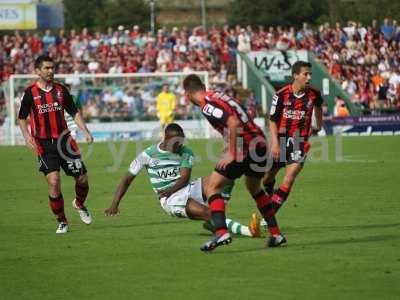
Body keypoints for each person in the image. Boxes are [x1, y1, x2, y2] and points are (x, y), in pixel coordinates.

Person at [104, 123, 260, 238]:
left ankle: (215, 221)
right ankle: (249, 231)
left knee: (226, 179)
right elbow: (127, 179)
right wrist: (114, 204)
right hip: (171, 199)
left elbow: (184, 178)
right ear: (166, 138)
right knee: (210, 213)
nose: (180, 145)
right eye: (176, 142)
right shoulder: (147, 155)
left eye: (181, 141)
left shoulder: (186, 152)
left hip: (185, 188)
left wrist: (169, 190)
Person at [183, 75, 284, 252]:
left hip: (244, 148)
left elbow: (232, 122)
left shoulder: (207, 105)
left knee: (212, 187)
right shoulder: (219, 95)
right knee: (254, 187)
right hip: (259, 143)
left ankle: (222, 232)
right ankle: (276, 234)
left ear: (187, 94)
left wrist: (231, 152)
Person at [18, 55, 94, 234]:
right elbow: (21, 118)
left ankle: (79, 203)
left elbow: (74, 112)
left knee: (82, 179)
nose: (51, 71)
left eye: (52, 68)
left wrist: (85, 131)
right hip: (44, 145)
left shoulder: (61, 90)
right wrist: (26, 135)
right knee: (53, 181)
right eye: (46, 68)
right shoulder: (30, 93)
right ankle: (62, 221)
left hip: (65, 142)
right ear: (37, 71)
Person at [262, 61, 323, 223]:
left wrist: (319, 124)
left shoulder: (314, 94)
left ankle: (267, 219)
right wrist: (275, 143)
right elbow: (272, 120)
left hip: (299, 142)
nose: (309, 77)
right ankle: (270, 191)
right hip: (281, 141)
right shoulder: (281, 94)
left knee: (289, 179)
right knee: (267, 178)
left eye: (310, 74)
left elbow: (319, 106)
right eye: (306, 74)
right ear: (296, 76)